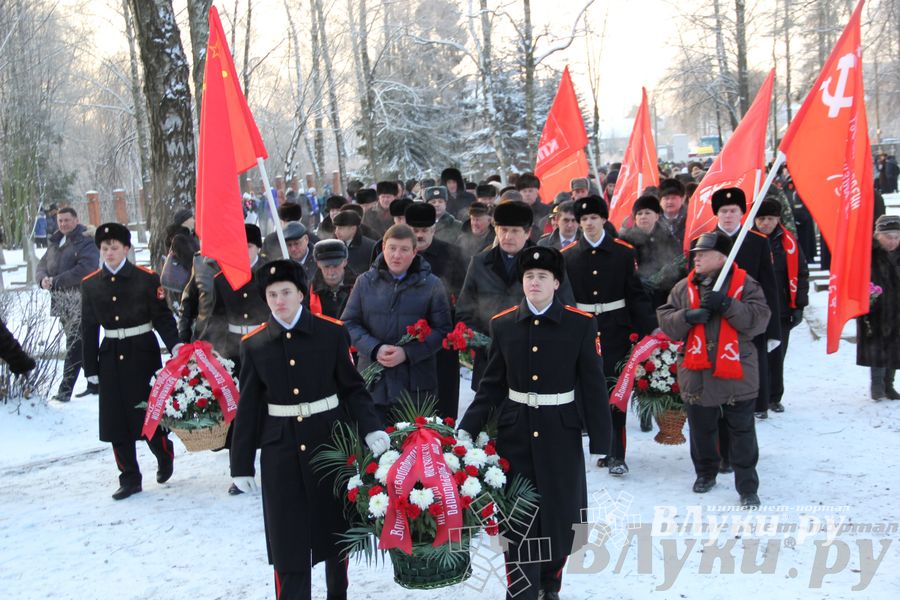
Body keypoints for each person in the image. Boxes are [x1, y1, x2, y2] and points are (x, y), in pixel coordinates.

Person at [230, 259, 389, 600]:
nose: (279, 300)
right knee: (287, 540)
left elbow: (352, 388)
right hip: (280, 450)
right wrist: (240, 463)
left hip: (327, 443)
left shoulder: (331, 333)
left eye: (286, 292)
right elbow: (248, 408)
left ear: (301, 294)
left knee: (334, 531)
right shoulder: (255, 345)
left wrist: (370, 428)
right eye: (272, 294)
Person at [458, 246, 611, 600]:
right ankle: (522, 591)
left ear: (556, 282)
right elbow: (492, 384)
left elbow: (592, 385)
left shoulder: (581, 324)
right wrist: (469, 427)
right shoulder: (504, 324)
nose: (535, 282)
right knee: (519, 518)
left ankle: (550, 583)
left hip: (561, 432)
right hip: (517, 432)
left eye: (542, 277)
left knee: (559, 516)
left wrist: (602, 441)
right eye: (529, 277)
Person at [657, 231, 771, 508]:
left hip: (737, 370)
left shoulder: (747, 285)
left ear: (722, 257)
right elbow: (665, 320)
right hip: (698, 372)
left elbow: (759, 321)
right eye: (695, 254)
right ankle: (705, 473)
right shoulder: (683, 288)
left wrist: (729, 305)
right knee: (701, 428)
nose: (696, 258)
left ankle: (747, 486)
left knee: (742, 431)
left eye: (702, 254)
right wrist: (687, 316)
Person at [81, 223, 181, 500]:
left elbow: (162, 317)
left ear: (126, 249)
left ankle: (163, 452)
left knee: (148, 413)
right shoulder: (90, 285)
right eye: (105, 248)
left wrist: (175, 345)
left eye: (114, 247)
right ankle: (129, 477)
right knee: (115, 420)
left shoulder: (146, 279)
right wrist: (90, 369)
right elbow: (88, 328)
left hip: (141, 352)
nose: (109, 253)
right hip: (110, 354)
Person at [563, 195, 656, 475]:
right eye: (584, 219)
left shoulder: (624, 252)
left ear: (604, 219)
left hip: (616, 330)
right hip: (582, 331)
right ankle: (601, 446)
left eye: (594, 218)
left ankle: (617, 454)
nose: (589, 224)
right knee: (589, 392)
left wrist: (649, 328)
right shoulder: (568, 256)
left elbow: (635, 294)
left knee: (615, 391)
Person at [457, 201, 574, 390]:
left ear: (527, 233)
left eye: (514, 231)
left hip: (536, 358)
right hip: (490, 359)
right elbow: (464, 310)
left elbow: (566, 308)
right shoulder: (480, 263)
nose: (507, 236)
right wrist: (481, 341)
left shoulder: (547, 262)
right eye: (502, 230)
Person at [341, 224, 452, 422]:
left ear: (414, 251)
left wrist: (408, 353)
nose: (396, 255)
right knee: (374, 448)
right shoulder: (365, 282)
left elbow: (443, 330)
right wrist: (375, 348)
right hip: (374, 384)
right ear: (383, 247)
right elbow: (348, 323)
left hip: (416, 388)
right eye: (392, 248)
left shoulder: (432, 285)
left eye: (403, 249)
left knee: (415, 448)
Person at [705, 187, 780, 421]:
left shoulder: (757, 242)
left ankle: (756, 406)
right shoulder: (705, 241)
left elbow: (769, 287)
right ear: (717, 214)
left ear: (742, 213)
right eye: (724, 211)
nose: (728, 216)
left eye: (733, 211)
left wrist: (772, 329)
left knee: (752, 365)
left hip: (748, 317)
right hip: (716, 318)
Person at [406, 202, 467, 419]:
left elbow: (465, 295)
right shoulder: (395, 254)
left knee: (444, 398)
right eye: (415, 231)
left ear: (434, 229)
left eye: (425, 231)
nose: (420, 235)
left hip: (443, 340)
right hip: (407, 340)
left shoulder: (452, 254)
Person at [35, 206, 100, 402]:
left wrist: (56, 281)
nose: (63, 224)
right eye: (60, 220)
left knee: (75, 343)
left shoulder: (86, 240)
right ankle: (95, 383)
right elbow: (42, 265)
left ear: (76, 219)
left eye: (67, 220)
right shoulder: (56, 241)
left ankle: (65, 390)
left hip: (82, 299)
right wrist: (43, 280)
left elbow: (85, 269)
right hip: (61, 301)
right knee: (81, 343)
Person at [752, 198, 809, 412]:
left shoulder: (789, 243)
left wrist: (799, 306)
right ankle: (757, 396)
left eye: (770, 218)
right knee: (756, 355)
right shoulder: (747, 241)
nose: (766, 223)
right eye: (761, 219)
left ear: (778, 219)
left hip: (781, 308)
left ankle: (774, 396)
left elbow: (801, 274)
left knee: (777, 353)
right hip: (755, 307)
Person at [857, 215, 900, 400]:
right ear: (877, 235)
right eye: (888, 236)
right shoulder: (868, 254)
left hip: (897, 308)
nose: (892, 241)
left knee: (896, 347)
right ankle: (877, 385)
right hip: (876, 309)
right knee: (877, 347)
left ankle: (889, 384)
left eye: (896, 237)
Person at [620, 195, 686, 309]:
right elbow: (620, 270)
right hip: (635, 300)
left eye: (647, 213)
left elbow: (680, 265)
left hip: (664, 299)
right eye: (639, 214)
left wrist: (668, 274)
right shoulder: (625, 240)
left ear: (656, 216)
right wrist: (638, 281)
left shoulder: (669, 238)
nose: (643, 217)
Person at [308, 239, 357, 319]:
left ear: (345, 262)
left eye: (335, 266)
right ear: (318, 264)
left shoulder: (360, 286)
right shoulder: (308, 290)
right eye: (326, 266)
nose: (331, 272)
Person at [333, 208, 376, 276]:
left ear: (353, 228)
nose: (336, 232)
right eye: (336, 228)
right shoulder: (332, 246)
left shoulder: (371, 247)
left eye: (340, 228)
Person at [657, 178, 688, 245]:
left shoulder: (690, 219)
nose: (670, 202)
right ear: (660, 201)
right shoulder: (653, 219)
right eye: (666, 198)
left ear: (683, 199)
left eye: (673, 198)